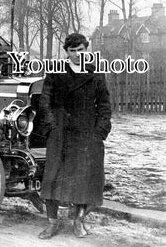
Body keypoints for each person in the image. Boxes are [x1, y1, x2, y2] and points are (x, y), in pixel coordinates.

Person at [38, 33, 112, 239]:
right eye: (73, 51)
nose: (77, 54)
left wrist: (99, 132)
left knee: (84, 178)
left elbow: (105, 106)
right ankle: (52, 223)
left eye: (81, 50)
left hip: (86, 134)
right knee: (52, 177)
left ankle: (78, 221)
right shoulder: (55, 72)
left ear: (86, 49)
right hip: (60, 132)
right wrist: (52, 126)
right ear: (66, 52)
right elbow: (45, 102)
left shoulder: (96, 74)